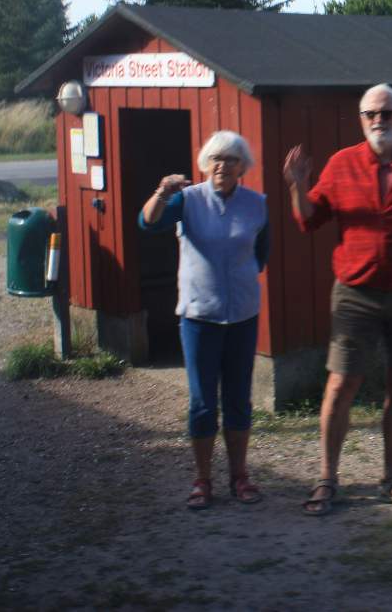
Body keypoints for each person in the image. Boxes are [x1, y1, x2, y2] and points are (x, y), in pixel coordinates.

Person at [283, 83, 392, 517]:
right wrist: (297, 185)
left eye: (386, 113)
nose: (378, 120)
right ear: (361, 120)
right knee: (340, 384)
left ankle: (391, 477)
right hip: (355, 295)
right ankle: (327, 479)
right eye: (369, 113)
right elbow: (309, 220)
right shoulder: (341, 165)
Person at [139, 130, 269, 510]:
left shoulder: (257, 204)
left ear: (243, 166)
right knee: (201, 403)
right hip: (199, 316)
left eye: (231, 159)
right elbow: (147, 223)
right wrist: (162, 193)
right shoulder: (188, 201)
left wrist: (237, 281)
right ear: (204, 164)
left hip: (242, 316)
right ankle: (202, 479)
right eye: (216, 158)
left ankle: (240, 476)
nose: (222, 166)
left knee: (238, 401)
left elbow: (261, 254)